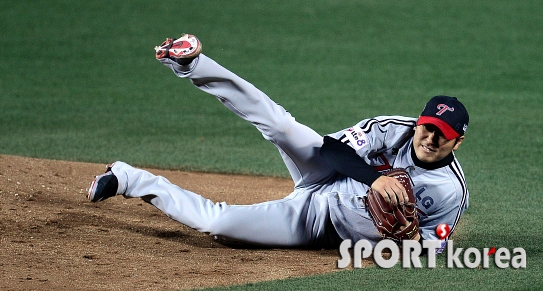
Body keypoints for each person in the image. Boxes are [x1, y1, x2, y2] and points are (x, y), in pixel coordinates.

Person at [87, 34, 469, 252]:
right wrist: (375, 180)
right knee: (280, 125)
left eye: (442, 134)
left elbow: (437, 244)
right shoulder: (395, 128)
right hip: (325, 170)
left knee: (221, 225)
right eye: (427, 127)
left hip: (318, 224)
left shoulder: (451, 192)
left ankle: (130, 180)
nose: (429, 137)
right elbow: (333, 148)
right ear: (419, 122)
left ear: (458, 141)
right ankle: (190, 64)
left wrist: (414, 239)